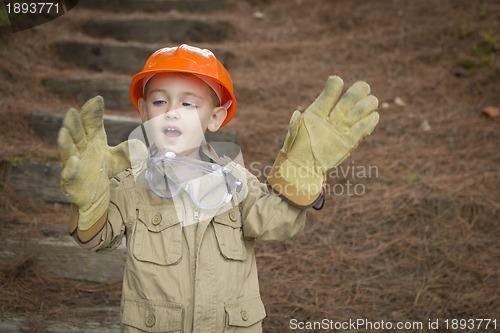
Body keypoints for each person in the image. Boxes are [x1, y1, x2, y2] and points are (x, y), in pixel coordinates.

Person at [57, 44, 379, 332]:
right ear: (144, 112)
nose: (172, 112)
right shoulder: (130, 186)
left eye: (188, 104)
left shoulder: (236, 182)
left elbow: (272, 222)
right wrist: (92, 200)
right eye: (159, 101)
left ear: (215, 118)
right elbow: (94, 239)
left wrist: (303, 169)